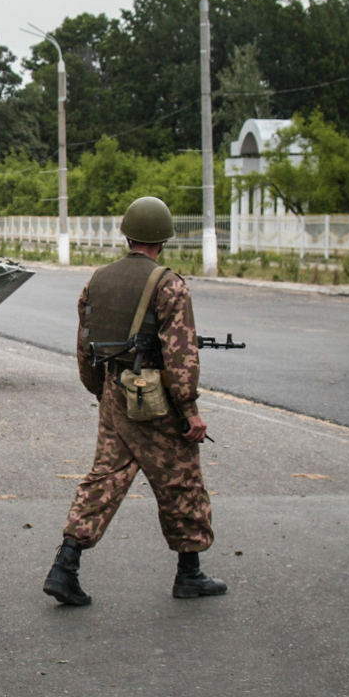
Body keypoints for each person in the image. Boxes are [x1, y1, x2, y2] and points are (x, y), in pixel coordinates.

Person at [42, 196, 227, 606]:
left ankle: (65, 566)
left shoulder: (98, 279)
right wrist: (190, 410)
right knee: (181, 480)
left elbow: (84, 345)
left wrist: (100, 389)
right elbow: (180, 356)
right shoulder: (170, 284)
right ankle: (190, 573)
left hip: (113, 393)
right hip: (156, 401)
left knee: (104, 478)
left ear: (127, 234)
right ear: (163, 239)